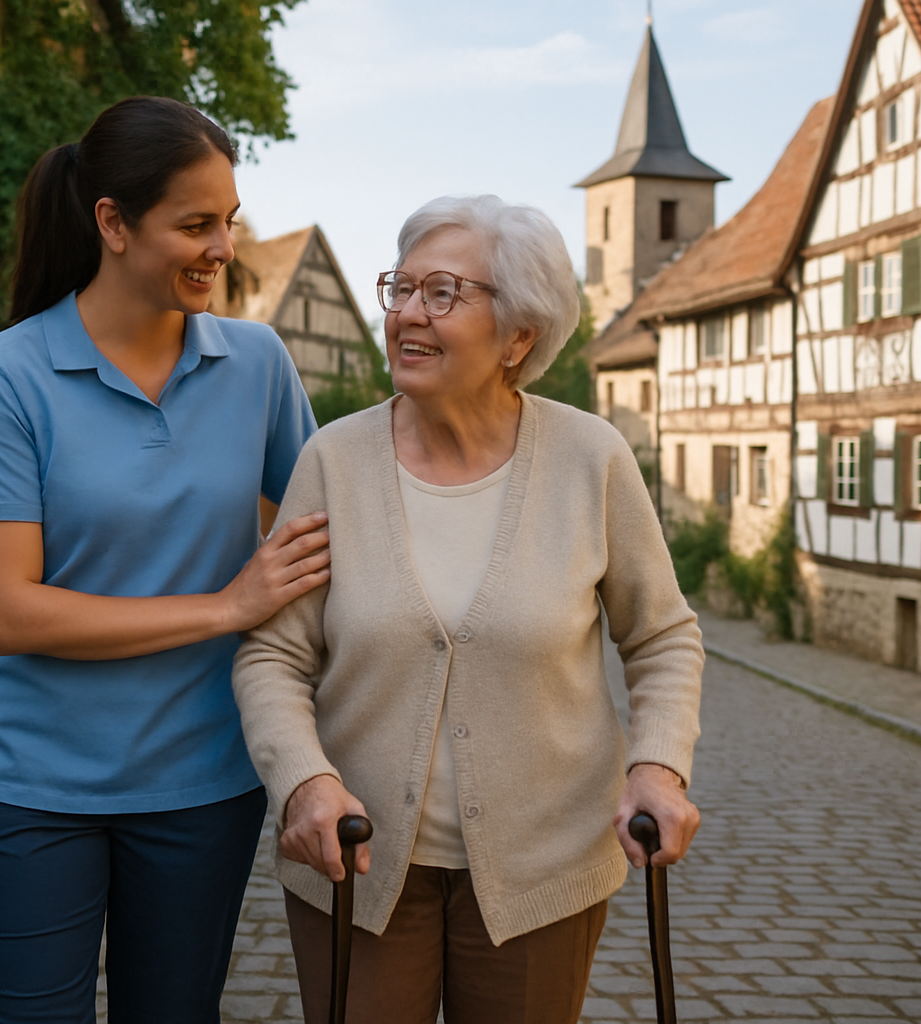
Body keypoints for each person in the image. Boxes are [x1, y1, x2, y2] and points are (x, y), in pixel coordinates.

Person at [232, 195, 705, 1024]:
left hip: (544, 872)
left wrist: (657, 766)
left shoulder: (589, 459)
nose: (410, 314)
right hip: (357, 867)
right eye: (401, 288)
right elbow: (274, 655)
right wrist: (303, 782)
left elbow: (663, 636)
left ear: (519, 336)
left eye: (443, 293)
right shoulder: (333, 461)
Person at [0, 96, 328, 1024]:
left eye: (227, 220)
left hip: (202, 785)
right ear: (111, 222)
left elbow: (331, 532)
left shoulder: (259, 364)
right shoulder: (6, 375)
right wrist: (227, 607)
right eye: (194, 224)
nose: (223, 247)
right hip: (26, 787)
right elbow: (12, 612)